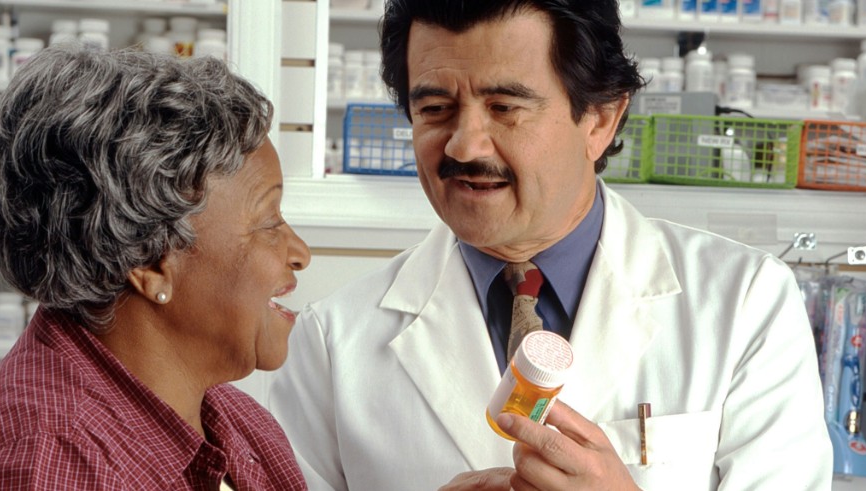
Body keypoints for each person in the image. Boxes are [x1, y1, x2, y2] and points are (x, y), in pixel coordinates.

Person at [269, 1, 831, 490]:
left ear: (602, 120)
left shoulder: (746, 303)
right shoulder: (331, 341)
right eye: (435, 108)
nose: (464, 145)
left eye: (505, 107)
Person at [0, 45, 311, 490]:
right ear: (151, 264)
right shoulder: (50, 459)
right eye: (268, 222)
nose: (299, 251)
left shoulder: (236, 425)